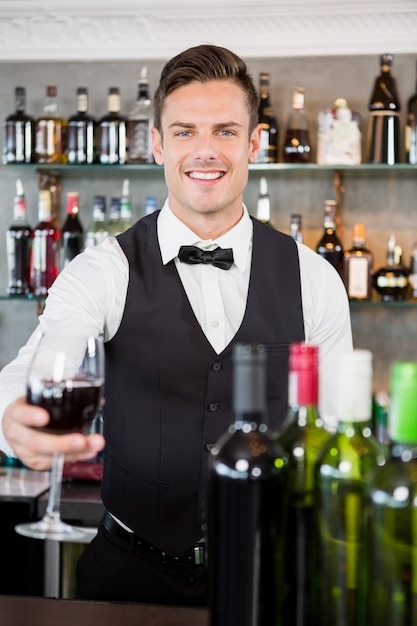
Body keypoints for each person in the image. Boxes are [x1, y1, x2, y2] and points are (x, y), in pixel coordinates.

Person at [0, 44, 353, 605]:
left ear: (254, 143)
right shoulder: (104, 269)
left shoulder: (314, 277)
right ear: (159, 144)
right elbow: (40, 361)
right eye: (185, 132)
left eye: (225, 131)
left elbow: (337, 428)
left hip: (272, 572)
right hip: (127, 583)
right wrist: (17, 417)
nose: (205, 151)